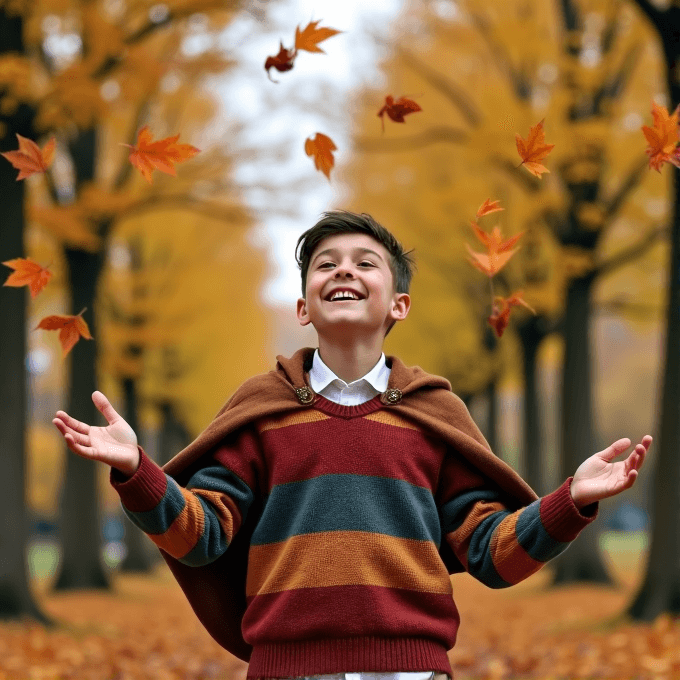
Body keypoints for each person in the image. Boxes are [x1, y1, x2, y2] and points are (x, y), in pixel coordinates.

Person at [53, 210, 652, 680]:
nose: (343, 270)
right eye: (324, 264)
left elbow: (492, 557)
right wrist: (137, 470)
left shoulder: (434, 415)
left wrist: (570, 501)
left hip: (414, 670)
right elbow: (203, 537)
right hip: (285, 670)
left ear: (399, 304)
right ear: (303, 306)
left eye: (366, 263)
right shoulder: (262, 410)